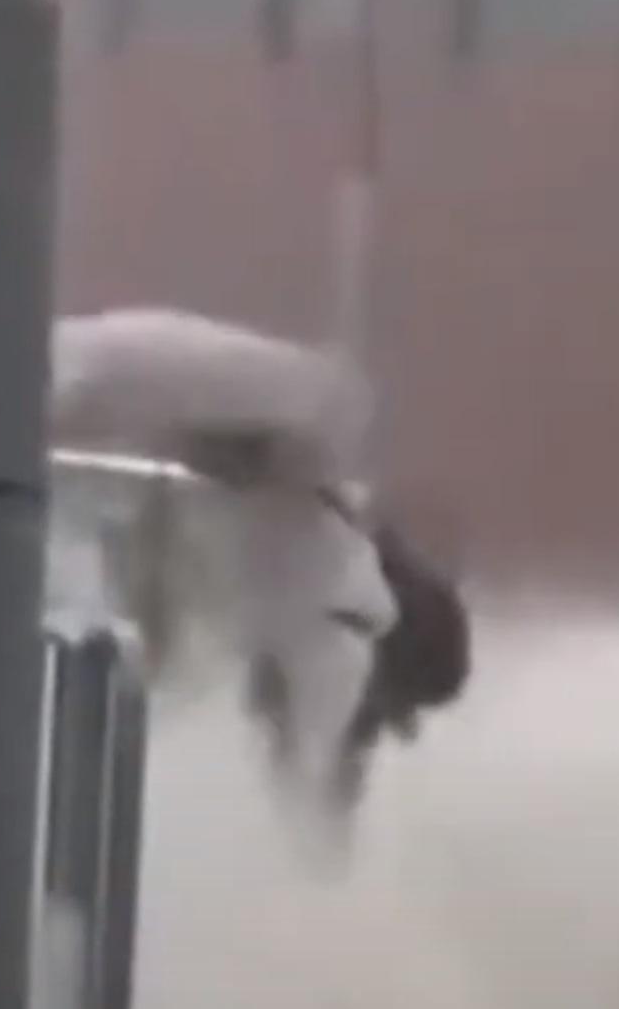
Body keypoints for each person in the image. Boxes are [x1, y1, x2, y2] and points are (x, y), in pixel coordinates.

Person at [51, 305, 468, 837]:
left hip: (70, 377)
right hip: (68, 388)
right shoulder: (329, 610)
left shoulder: (319, 550)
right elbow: (306, 816)